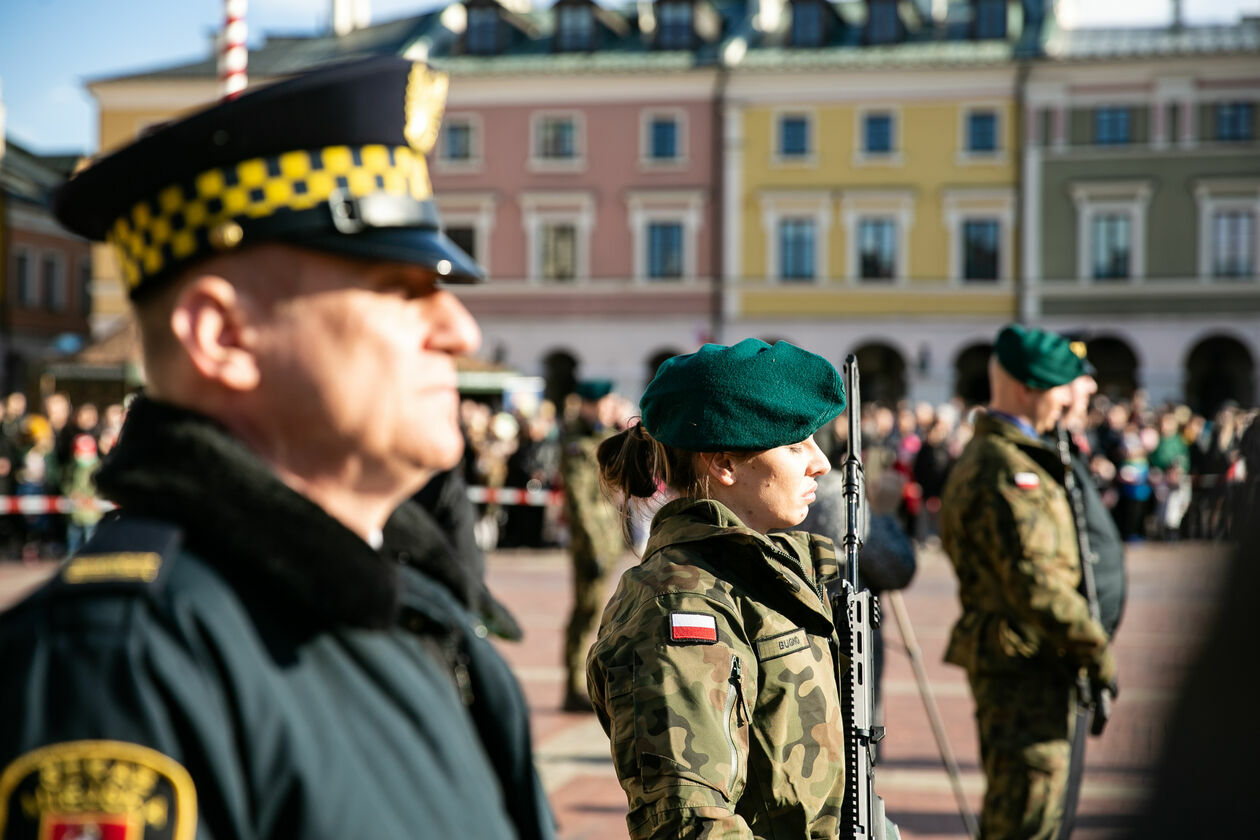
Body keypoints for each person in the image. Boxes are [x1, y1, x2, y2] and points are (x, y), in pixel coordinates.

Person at [0, 57, 553, 840]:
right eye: (400, 290)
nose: (459, 330)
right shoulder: (119, 665)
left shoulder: (421, 619)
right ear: (223, 336)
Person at [587, 338, 897, 839]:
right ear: (724, 464)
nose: (819, 462)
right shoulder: (682, 605)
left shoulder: (765, 574)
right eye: (796, 444)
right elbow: (691, 825)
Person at [939, 324, 1116, 840]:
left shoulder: (1016, 456)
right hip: (1021, 661)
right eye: (1061, 388)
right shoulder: (1005, 467)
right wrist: (1094, 647)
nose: (1068, 400)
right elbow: (1035, 582)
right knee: (1024, 819)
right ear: (1028, 388)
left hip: (1031, 656)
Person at [559, 379, 625, 711]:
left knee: (596, 612)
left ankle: (583, 685)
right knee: (585, 612)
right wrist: (594, 546)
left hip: (607, 539)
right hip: (591, 543)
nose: (605, 408)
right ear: (586, 404)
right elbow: (579, 502)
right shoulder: (576, 442)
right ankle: (573, 686)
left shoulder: (602, 435)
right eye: (601, 403)